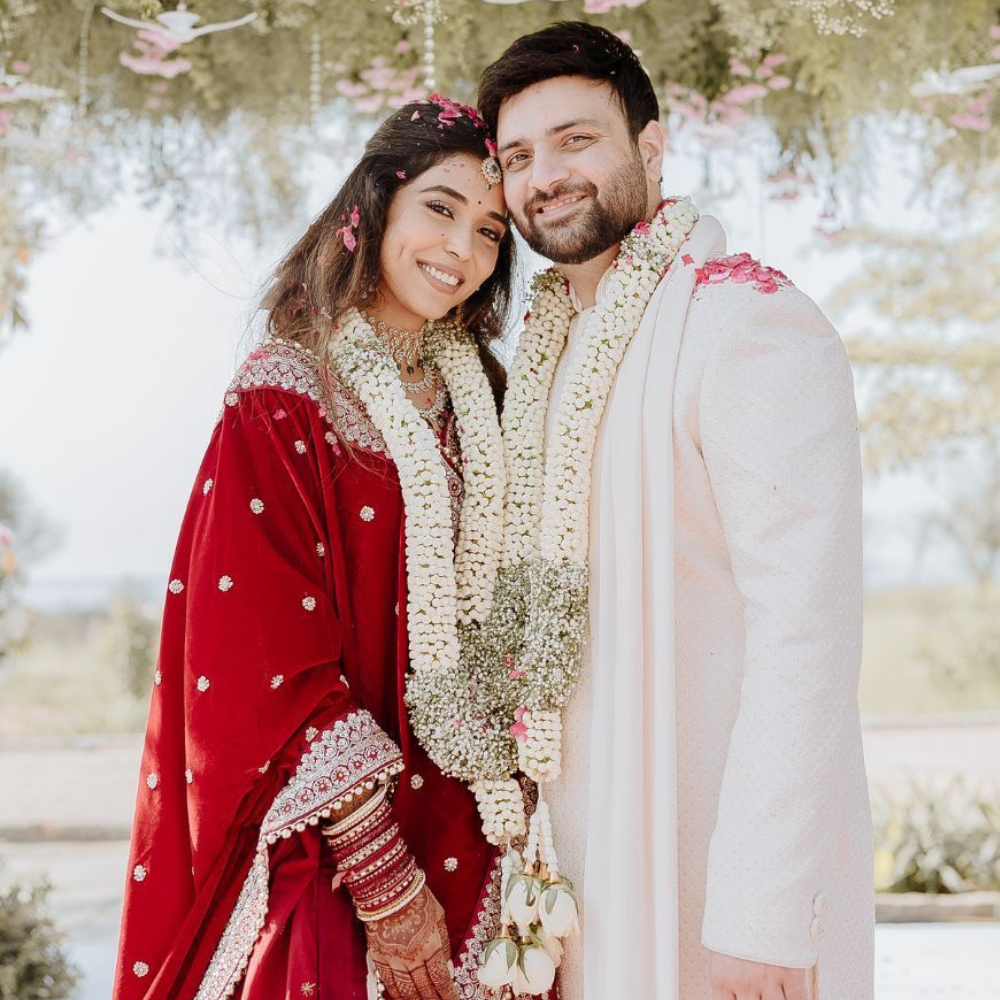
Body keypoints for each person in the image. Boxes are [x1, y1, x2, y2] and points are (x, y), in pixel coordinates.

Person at [474, 21, 874, 1000]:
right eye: (518, 157)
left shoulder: (744, 323)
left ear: (650, 149)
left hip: (710, 869)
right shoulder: (545, 355)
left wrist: (763, 908)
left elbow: (805, 630)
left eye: (576, 140)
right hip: (577, 862)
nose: (545, 176)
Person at [112, 95, 520, 1000]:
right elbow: (259, 651)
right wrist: (379, 873)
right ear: (375, 204)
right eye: (442, 209)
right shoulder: (285, 397)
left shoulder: (487, 401)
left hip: (483, 834)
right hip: (336, 847)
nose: (461, 250)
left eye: (492, 231)